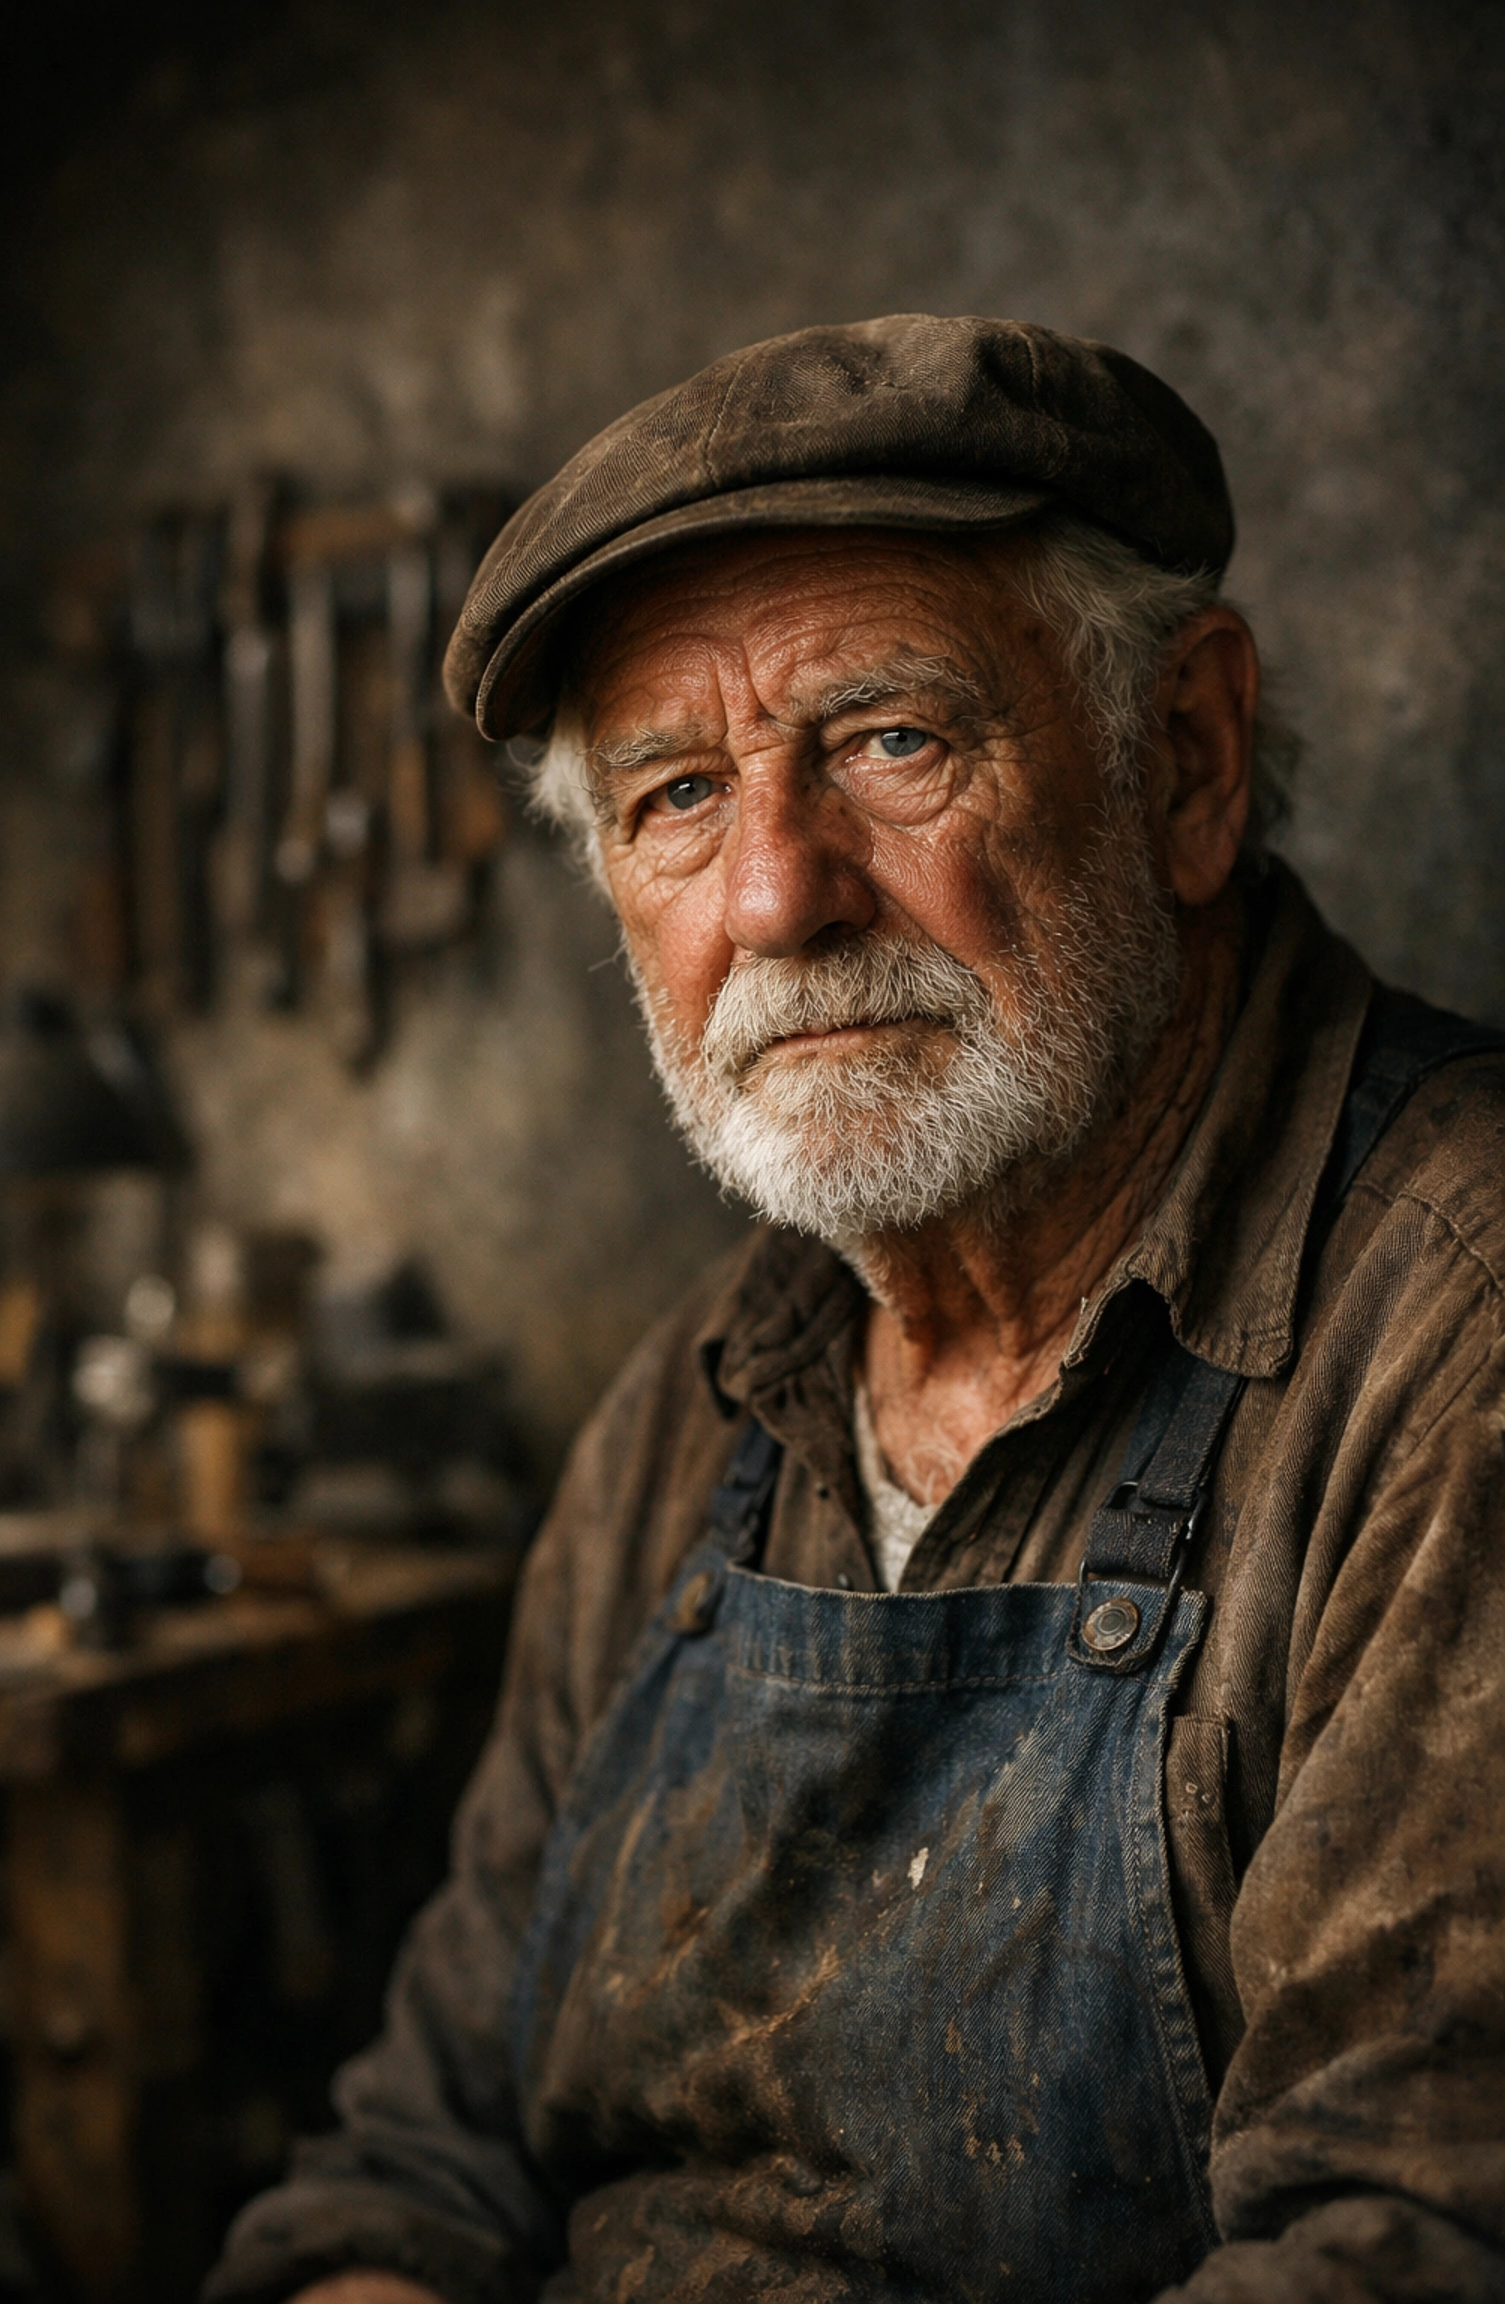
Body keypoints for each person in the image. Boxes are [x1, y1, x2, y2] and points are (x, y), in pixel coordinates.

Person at [206, 318, 1505, 2304]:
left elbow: (1403, 2249)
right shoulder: (707, 1399)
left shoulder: (1452, 1333)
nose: (779, 899)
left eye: (893, 740)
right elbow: (428, 2157)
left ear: (1187, 757)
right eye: (676, 796)